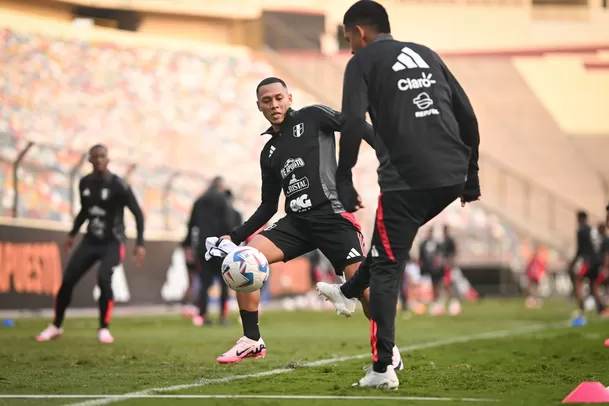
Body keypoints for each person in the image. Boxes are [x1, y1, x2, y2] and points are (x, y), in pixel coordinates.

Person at [316, 0, 480, 389]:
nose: (350, 47)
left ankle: (382, 367)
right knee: (388, 244)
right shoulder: (426, 54)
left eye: (348, 39)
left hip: (408, 180)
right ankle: (348, 291)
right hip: (450, 176)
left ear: (359, 32)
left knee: (388, 267)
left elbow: (354, 121)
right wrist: (470, 175)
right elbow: (467, 115)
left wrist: (344, 177)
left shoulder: (362, 62)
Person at [210, 77, 403, 369]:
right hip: (297, 222)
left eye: (278, 98)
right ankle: (252, 340)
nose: (274, 105)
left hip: (333, 216)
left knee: (364, 288)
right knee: (245, 259)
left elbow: (355, 125)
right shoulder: (269, 152)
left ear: (289, 97)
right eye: (267, 101)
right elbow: (267, 207)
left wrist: (387, 153)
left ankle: (388, 353)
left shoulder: (313, 116)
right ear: (259, 105)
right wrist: (235, 237)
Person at [36, 144, 145, 343]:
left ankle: (104, 327)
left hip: (113, 242)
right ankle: (56, 326)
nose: (99, 160)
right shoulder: (85, 183)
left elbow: (137, 213)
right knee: (67, 281)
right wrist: (72, 233)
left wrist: (140, 243)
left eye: (103, 156)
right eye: (95, 157)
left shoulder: (118, 185)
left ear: (108, 159)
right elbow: (85, 211)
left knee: (104, 279)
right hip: (91, 240)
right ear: (89, 160)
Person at [183, 177, 233, 326]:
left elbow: (191, 225)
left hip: (204, 247)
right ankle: (223, 316)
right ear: (221, 186)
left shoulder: (199, 200)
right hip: (221, 246)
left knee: (205, 282)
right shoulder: (223, 200)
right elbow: (228, 223)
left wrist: (187, 245)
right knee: (226, 282)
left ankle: (203, 315)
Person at [569, 211, 609, 327]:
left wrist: (573, 262)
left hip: (587, 261)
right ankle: (601, 309)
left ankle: (582, 308)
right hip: (597, 261)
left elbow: (580, 250)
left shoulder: (581, 231)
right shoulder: (592, 231)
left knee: (578, 281)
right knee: (593, 285)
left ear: (579, 218)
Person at [439, 225, 462, 316]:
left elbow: (454, 252)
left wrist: (450, 261)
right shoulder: (443, 241)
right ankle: (451, 303)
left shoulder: (449, 240)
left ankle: (454, 303)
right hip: (444, 265)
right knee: (444, 284)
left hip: (448, 265)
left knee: (447, 283)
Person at [524, 244, 546, 309]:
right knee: (531, 289)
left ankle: (537, 300)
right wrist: (527, 275)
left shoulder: (538, 261)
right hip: (532, 277)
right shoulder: (531, 261)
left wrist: (541, 275)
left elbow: (542, 268)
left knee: (536, 289)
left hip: (536, 277)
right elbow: (528, 269)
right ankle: (532, 300)